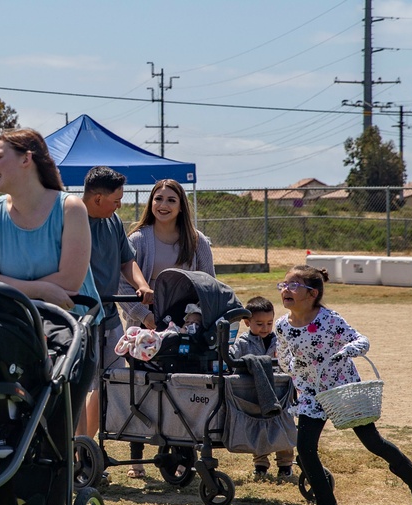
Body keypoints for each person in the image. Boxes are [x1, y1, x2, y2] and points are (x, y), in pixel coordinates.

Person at [0, 128, 101, 505]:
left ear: (27, 159)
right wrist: (38, 290)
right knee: (6, 429)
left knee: (53, 434)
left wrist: (32, 288)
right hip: (14, 334)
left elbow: (69, 285)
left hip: (72, 335)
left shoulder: (71, 208)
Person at [274, 265, 412, 505]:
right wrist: (292, 366)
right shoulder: (283, 326)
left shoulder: (329, 319)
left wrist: (346, 351)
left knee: (372, 443)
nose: (285, 291)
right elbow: (282, 355)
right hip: (311, 394)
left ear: (312, 294)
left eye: (293, 286)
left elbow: (362, 341)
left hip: (342, 391)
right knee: (305, 448)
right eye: (283, 286)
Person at [117, 178, 215, 478]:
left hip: (184, 328)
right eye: (158, 198)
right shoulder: (137, 240)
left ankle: (180, 456)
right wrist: (142, 316)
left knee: (181, 391)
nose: (163, 205)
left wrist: (196, 317)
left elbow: (210, 284)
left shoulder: (198, 241)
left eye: (171, 200)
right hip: (144, 326)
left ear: (181, 205)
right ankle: (136, 461)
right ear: (150, 203)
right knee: (141, 389)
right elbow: (122, 282)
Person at [78, 166, 152, 439]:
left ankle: (85, 448)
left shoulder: (113, 221)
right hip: (79, 318)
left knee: (113, 379)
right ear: (97, 199)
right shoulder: (70, 219)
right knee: (79, 384)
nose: (119, 205)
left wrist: (142, 285)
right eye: (116, 200)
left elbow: (126, 260)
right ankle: (76, 452)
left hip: (109, 314)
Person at [229, 296, 294, 479]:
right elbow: (232, 358)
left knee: (283, 424)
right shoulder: (242, 342)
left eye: (269, 323)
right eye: (259, 324)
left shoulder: (279, 341)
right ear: (247, 322)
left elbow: (289, 360)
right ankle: (260, 463)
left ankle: (285, 464)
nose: (265, 328)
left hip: (279, 390)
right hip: (254, 391)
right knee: (259, 426)